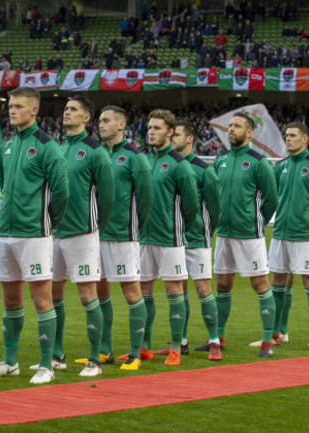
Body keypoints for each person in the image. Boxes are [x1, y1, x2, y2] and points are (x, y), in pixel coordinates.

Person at [0, 87, 69, 384]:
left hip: (35, 234)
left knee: (41, 300)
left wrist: (48, 222)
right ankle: (10, 362)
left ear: (34, 110)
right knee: (10, 300)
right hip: (6, 234)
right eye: (10, 105)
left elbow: (61, 192)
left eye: (19, 106)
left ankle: (46, 364)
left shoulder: (48, 146)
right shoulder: (6, 146)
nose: (12, 110)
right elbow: (3, 185)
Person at [37, 96, 114, 377]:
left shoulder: (95, 151)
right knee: (53, 293)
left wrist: (96, 228)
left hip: (83, 234)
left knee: (86, 294)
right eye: (65, 109)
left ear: (86, 119)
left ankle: (94, 359)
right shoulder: (57, 148)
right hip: (54, 233)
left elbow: (107, 198)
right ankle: (56, 356)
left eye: (73, 110)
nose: (66, 113)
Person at [210, 111, 278, 357]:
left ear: (249, 132)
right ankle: (218, 337)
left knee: (260, 284)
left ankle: (268, 342)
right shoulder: (221, 160)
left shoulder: (259, 162)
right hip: (224, 233)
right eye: (229, 125)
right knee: (222, 283)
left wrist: (254, 219)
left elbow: (271, 199)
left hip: (250, 234)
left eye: (236, 126)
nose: (230, 129)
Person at [265, 122, 309, 352]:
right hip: (280, 233)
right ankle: (278, 333)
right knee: (278, 281)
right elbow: (271, 198)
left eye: (293, 135)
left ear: (305, 139)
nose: (288, 139)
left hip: (305, 235)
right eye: (286, 135)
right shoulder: (280, 166)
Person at [158, 122, 222, 361]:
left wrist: (205, 232)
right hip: (174, 239)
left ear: (190, 139)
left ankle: (214, 341)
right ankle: (181, 342)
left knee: (204, 290)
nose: (171, 137)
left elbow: (215, 209)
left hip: (196, 240)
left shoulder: (204, 170)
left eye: (176, 135)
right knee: (178, 292)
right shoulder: (168, 165)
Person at [139, 109, 198, 366]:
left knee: (174, 292)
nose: (151, 132)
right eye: (149, 128)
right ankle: (145, 346)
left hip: (170, 240)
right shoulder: (144, 161)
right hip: (144, 239)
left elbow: (192, 206)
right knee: (144, 292)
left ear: (170, 132)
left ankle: (176, 347)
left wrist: (177, 229)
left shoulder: (179, 165)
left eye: (157, 128)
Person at [97, 106, 152, 371]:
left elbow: (145, 200)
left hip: (123, 236)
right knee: (99, 293)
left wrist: (133, 230)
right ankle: (104, 351)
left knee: (131, 293)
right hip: (94, 235)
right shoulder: (95, 154)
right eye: (99, 120)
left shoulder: (135, 157)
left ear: (121, 125)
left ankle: (134, 353)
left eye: (106, 120)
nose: (101, 124)